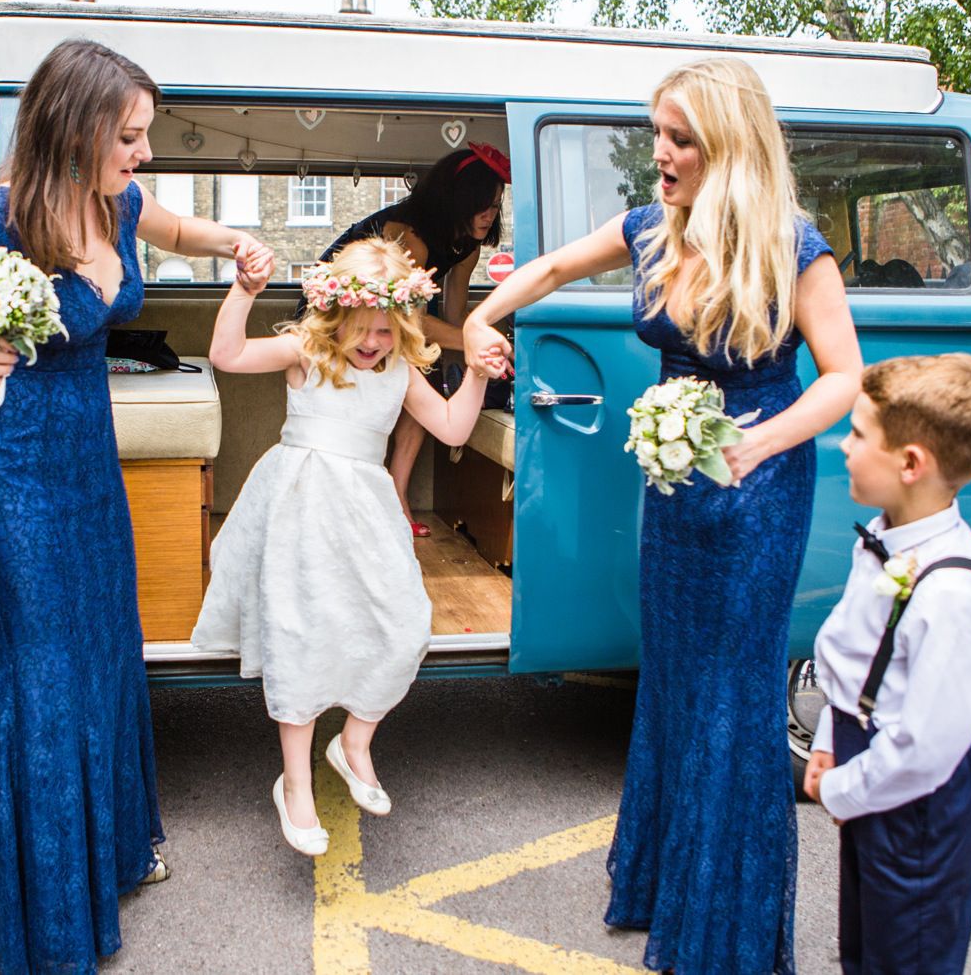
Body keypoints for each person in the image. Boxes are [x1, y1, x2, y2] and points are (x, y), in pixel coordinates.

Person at [0, 38, 273, 974]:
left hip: (88, 458)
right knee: (46, 666)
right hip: (10, 465)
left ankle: (109, 853)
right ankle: (45, 910)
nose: (143, 153)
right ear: (76, 127)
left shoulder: (119, 200)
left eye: (145, 135)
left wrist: (238, 245)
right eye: (129, 135)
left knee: (102, 645)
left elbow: (174, 229)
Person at [463, 57, 862, 973]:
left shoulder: (794, 243)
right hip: (676, 485)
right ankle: (666, 888)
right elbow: (556, 262)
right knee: (676, 679)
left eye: (679, 139)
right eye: (657, 136)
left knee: (733, 692)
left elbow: (843, 375)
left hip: (757, 487)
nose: (661, 156)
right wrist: (484, 315)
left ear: (728, 145)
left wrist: (760, 443)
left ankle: (728, 925)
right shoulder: (651, 229)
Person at [193, 237, 491, 856]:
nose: (371, 343)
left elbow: (455, 427)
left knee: (405, 625)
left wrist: (480, 375)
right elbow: (226, 353)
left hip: (366, 511)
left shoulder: (400, 372)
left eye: (383, 330)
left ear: (400, 324)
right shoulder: (306, 352)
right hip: (299, 508)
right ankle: (295, 784)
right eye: (358, 330)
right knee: (300, 639)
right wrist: (244, 291)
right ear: (332, 317)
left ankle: (354, 742)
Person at [803, 353, 971, 975]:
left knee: (910, 952)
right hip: (869, 764)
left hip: (915, 807)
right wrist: (826, 738)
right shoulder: (886, 533)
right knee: (866, 950)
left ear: (911, 463)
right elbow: (856, 652)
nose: (843, 445)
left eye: (860, 434)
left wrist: (842, 790)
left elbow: (925, 747)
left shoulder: (952, 595)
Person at [320, 143, 508, 537]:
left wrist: (473, 356)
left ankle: (396, 495)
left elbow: (453, 316)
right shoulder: (412, 236)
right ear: (457, 201)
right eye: (480, 204)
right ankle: (347, 502)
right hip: (339, 315)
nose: (488, 214)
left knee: (423, 369)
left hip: (391, 322)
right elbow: (412, 320)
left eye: (495, 204)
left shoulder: (468, 247)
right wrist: (473, 339)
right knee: (387, 374)